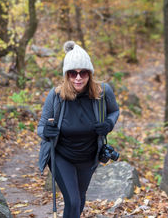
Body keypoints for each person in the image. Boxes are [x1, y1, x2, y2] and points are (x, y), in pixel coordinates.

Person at [37, 41, 120, 218]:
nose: (78, 77)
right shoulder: (56, 95)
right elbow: (41, 126)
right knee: (73, 201)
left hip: (89, 157)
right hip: (61, 156)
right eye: (73, 73)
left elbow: (114, 111)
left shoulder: (102, 92)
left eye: (83, 72)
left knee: (80, 200)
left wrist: (109, 124)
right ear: (66, 74)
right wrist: (46, 132)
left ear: (89, 73)